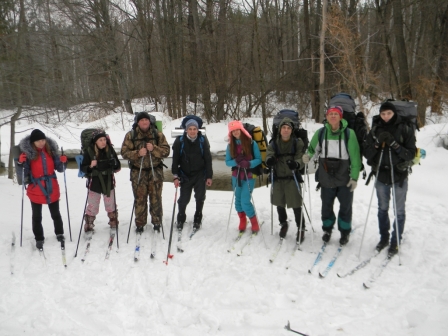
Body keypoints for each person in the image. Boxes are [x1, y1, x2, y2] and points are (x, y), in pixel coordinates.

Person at [363, 101, 416, 256]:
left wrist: (394, 144)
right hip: (381, 175)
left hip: (399, 175)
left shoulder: (405, 129)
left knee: (399, 210)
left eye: (389, 113)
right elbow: (367, 154)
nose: (385, 117)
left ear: (394, 113)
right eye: (383, 114)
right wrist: (377, 144)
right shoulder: (375, 130)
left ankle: (396, 241)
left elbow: (411, 154)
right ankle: (384, 238)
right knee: (382, 209)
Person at [302, 106, 361, 245]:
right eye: (330, 114)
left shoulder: (349, 134)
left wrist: (354, 177)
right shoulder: (321, 133)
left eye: (336, 114)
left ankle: (344, 232)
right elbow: (312, 150)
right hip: (326, 176)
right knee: (326, 206)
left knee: (345, 206)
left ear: (341, 117)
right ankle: (327, 229)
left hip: (344, 176)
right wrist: (307, 156)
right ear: (327, 117)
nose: (333, 116)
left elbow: (355, 157)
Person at [18, 129, 68, 249]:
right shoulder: (28, 154)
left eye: (43, 140)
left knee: (56, 213)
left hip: (52, 186)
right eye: (38, 141)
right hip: (36, 188)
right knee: (36, 216)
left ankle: (60, 233)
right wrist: (20, 162)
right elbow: (23, 174)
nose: (41, 142)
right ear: (33, 142)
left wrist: (63, 162)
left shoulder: (51, 151)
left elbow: (60, 169)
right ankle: (39, 238)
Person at [121, 112, 170, 233]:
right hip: (138, 172)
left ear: (149, 122)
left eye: (146, 120)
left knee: (156, 198)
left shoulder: (157, 134)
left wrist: (154, 149)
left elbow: (166, 151)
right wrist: (137, 153)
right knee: (140, 199)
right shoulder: (131, 135)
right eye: (142, 120)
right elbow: (124, 153)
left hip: (155, 171)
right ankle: (140, 223)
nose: (144, 122)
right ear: (138, 122)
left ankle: (157, 222)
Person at [265, 117, 306, 241]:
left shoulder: (297, 142)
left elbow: (300, 157)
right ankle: (283, 223)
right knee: (279, 202)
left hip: (292, 177)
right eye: (284, 127)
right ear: (280, 129)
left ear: (292, 130)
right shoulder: (273, 143)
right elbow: (269, 154)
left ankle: (301, 227)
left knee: (296, 204)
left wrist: (296, 164)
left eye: (288, 128)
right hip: (278, 177)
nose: (286, 130)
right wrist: (270, 161)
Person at [171, 118, 213, 231]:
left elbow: (208, 159)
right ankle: (181, 217)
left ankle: (198, 217)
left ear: (197, 129)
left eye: (195, 129)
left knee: (200, 197)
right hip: (185, 174)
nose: (193, 131)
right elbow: (175, 160)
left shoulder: (202, 140)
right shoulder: (180, 141)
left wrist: (209, 176)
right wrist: (175, 176)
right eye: (190, 129)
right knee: (184, 199)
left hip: (200, 174)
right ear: (186, 130)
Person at [81, 129, 121, 233]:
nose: (103, 142)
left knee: (110, 203)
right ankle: (89, 223)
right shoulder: (89, 151)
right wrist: (90, 166)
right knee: (93, 204)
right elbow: (83, 168)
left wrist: (114, 164)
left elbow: (118, 167)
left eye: (104, 139)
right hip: (94, 181)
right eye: (100, 140)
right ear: (95, 142)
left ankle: (113, 220)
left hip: (108, 181)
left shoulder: (110, 150)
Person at [225, 120, 262, 233]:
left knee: (245, 200)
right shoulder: (230, 145)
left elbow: (259, 159)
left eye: (237, 129)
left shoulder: (251, 143)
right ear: (230, 133)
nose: (235, 132)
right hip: (236, 176)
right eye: (233, 131)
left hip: (249, 175)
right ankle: (242, 219)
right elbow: (227, 162)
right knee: (238, 201)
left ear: (241, 130)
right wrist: (236, 161)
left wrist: (249, 163)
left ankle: (254, 221)